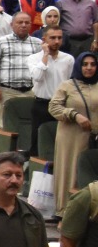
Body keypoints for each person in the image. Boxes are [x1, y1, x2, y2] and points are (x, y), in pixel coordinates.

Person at [48, 51, 98, 209]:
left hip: (93, 137)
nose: (89, 68)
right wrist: (74, 115)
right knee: (70, 172)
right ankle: (65, 211)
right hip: (71, 136)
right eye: (85, 64)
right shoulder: (67, 85)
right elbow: (53, 107)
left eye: (92, 64)